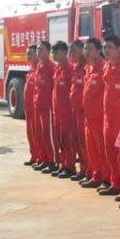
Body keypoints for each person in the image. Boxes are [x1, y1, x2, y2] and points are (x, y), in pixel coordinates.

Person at [100, 34, 120, 197]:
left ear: (119, 49)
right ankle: (115, 183)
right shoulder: (107, 66)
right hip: (108, 118)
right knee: (109, 153)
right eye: (105, 47)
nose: (106, 50)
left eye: (110, 47)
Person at [81, 37, 108, 189]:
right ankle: (96, 175)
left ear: (98, 51)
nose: (86, 51)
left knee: (101, 150)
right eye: (85, 48)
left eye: (90, 49)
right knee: (91, 149)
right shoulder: (88, 68)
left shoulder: (103, 67)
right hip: (89, 116)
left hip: (99, 117)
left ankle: (106, 178)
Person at [51, 41, 76, 179]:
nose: (53, 54)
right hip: (57, 111)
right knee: (59, 140)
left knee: (68, 141)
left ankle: (69, 166)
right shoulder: (57, 68)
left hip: (67, 112)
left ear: (64, 52)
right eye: (53, 52)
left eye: (56, 51)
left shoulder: (69, 69)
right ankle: (62, 164)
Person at [33, 41, 56, 174]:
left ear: (48, 51)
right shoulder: (39, 66)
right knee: (40, 134)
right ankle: (44, 159)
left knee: (48, 134)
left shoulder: (51, 67)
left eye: (41, 49)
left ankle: (51, 161)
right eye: (37, 49)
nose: (39, 51)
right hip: (39, 105)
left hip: (47, 107)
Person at [68, 40, 89, 182]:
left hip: (84, 111)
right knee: (78, 142)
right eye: (70, 51)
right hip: (75, 110)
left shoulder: (86, 66)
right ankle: (83, 169)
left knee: (85, 143)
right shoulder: (75, 66)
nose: (71, 54)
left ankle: (89, 170)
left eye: (74, 51)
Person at [23, 45, 39, 166]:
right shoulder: (31, 69)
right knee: (31, 134)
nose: (28, 56)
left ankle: (41, 157)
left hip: (36, 108)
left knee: (38, 134)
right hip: (28, 108)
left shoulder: (39, 69)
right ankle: (34, 156)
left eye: (31, 54)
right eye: (27, 54)